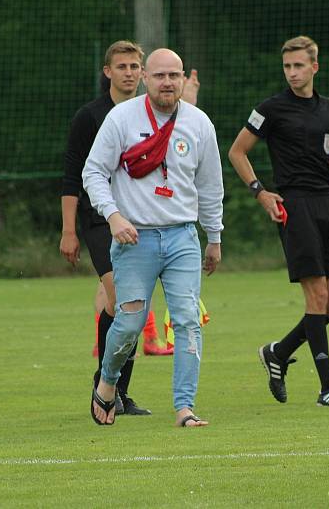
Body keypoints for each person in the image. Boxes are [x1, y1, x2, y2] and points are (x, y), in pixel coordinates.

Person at [228, 35, 329, 407]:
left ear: (314, 67)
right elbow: (237, 151)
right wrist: (261, 192)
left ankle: (278, 352)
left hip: (328, 207)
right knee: (318, 295)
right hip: (294, 206)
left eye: (298, 66)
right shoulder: (271, 108)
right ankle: (328, 387)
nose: (292, 73)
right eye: (287, 67)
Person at [83, 48, 224, 427]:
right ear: (146, 77)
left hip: (182, 238)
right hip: (134, 239)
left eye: (174, 75)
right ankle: (108, 382)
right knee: (129, 324)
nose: (167, 82)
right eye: (160, 75)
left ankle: (184, 408)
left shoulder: (199, 124)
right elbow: (93, 173)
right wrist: (113, 218)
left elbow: (210, 186)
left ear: (182, 79)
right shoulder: (121, 118)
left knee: (187, 322)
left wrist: (214, 237)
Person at [60, 40, 154, 415]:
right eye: (122, 67)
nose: (129, 73)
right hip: (100, 220)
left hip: (143, 220)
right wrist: (69, 230)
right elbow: (71, 176)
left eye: (135, 67)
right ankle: (108, 386)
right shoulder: (90, 117)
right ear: (107, 72)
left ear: (143, 73)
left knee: (133, 305)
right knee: (120, 299)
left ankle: (115, 389)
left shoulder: (151, 115)